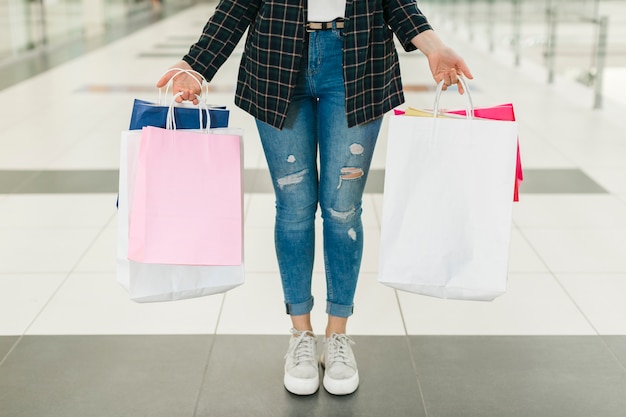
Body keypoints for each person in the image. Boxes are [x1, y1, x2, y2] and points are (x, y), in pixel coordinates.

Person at [157, 0, 472, 396]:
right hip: (277, 57)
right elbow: (238, 5)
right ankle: (301, 335)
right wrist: (195, 64)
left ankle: (337, 335)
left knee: (342, 210)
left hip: (358, 60)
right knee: (294, 207)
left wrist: (433, 46)